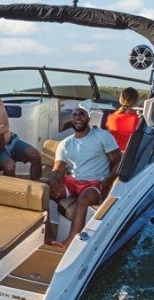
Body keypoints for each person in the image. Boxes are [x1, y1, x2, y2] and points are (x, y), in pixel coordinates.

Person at [47, 106, 120, 248]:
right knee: (43, 192)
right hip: (73, 182)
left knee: (84, 199)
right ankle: (48, 235)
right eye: (74, 115)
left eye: (82, 114)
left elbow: (118, 162)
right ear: (71, 120)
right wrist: (53, 179)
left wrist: (107, 184)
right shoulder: (65, 143)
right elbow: (58, 169)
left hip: (95, 183)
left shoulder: (102, 136)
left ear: (88, 118)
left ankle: (69, 242)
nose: (77, 117)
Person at [104, 86, 142, 151]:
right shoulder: (137, 120)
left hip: (110, 152)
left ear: (121, 99)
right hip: (126, 155)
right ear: (136, 102)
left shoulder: (111, 117)